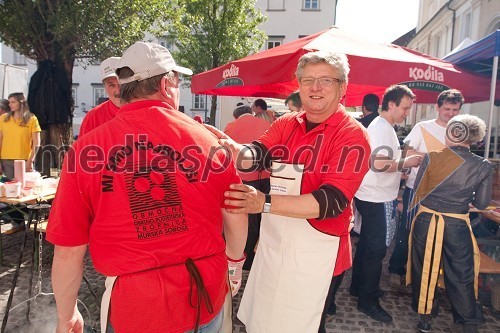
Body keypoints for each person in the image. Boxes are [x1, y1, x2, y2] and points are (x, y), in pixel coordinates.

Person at [47, 42, 247, 333]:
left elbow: (68, 250)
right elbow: (236, 212)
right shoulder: (208, 140)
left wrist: (66, 316)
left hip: (136, 308)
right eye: (178, 81)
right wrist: (234, 262)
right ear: (166, 84)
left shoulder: (85, 149)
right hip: (204, 295)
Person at [207, 51, 371, 332]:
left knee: (303, 323)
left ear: (342, 87)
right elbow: (257, 155)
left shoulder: (352, 134)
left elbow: (331, 202)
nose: (314, 88)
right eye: (307, 80)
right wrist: (233, 150)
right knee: (267, 317)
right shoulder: (287, 123)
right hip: (276, 242)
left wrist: (264, 202)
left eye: (325, 80)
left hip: (318, 252)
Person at [408, 114, 493, 333]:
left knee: (424, 268)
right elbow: (482, 203)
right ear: (474, 138)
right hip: (457, 223)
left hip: (426, 220)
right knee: (461, 272)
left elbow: (419, 190)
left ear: (450, 134)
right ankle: (467, 322)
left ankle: (425, 319)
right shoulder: (483, 165)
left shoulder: (432, 157)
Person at [350, 84, 422, 323]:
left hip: (373, 194)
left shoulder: (383, 127)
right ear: (390, 104)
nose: (406, 113)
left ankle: (359, 288)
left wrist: (398, 167)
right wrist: (406, 162)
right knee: (376, 250)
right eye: (404, 108)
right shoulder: (382, 128)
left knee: (369, 247)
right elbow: (378, 164)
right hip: (377, 197)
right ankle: (368, 300)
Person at [388, 89, 464, 287]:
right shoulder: (423, 127)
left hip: (446, 194)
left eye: (455, 109)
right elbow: (406, 149)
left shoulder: (461, 131)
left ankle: (421, 275)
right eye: (447, 108)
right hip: (417, 189)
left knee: (434, 235)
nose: (451, 113)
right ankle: (396, 268)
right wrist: (429, 158)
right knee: (408, 229)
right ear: (437, 107)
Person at [224, 105, 271, 270]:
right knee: (265, 217)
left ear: (236, 116)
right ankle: (260, 254)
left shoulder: (231, 126)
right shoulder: (267, 124)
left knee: (247, 220)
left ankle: (247, 259)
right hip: (267, 176)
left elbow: (226, 153)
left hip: (245, 178)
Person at [0, 92, 41, 234]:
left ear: (21, 103)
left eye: (13, 102)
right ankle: (18, 223)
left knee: (25, 194)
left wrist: (30, 160)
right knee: (7, 195)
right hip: (6, 160)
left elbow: (37, 143)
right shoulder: (3, 119)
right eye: (9, 102)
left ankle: (36, 216)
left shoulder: (31, 119)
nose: (10, 104)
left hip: (24, 161)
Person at [79, 57, 122, 137]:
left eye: (121, 84)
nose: (118, 91)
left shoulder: (142, 112)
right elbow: (83, 148)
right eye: (111, 85)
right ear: (104, 87)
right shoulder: (93, 117)